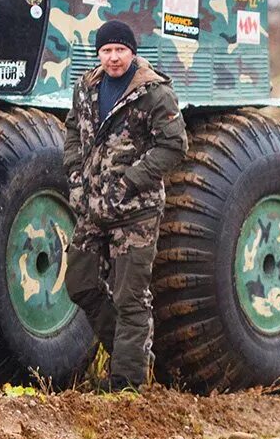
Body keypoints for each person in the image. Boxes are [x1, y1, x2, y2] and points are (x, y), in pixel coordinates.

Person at [63, 20, 187, 391]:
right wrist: (75, 177)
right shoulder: (87, 86)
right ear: (98, 54)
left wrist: (130, 181)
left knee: (130, 297)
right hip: (94, 207)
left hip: (136, 210)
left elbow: (173, 146)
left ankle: (127, 383)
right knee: (80, 283)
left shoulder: (154, 92)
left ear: (132, 51)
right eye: (107, 51)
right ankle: (131, 356)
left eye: (120, 50)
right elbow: (73, 131)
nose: (114, 58)